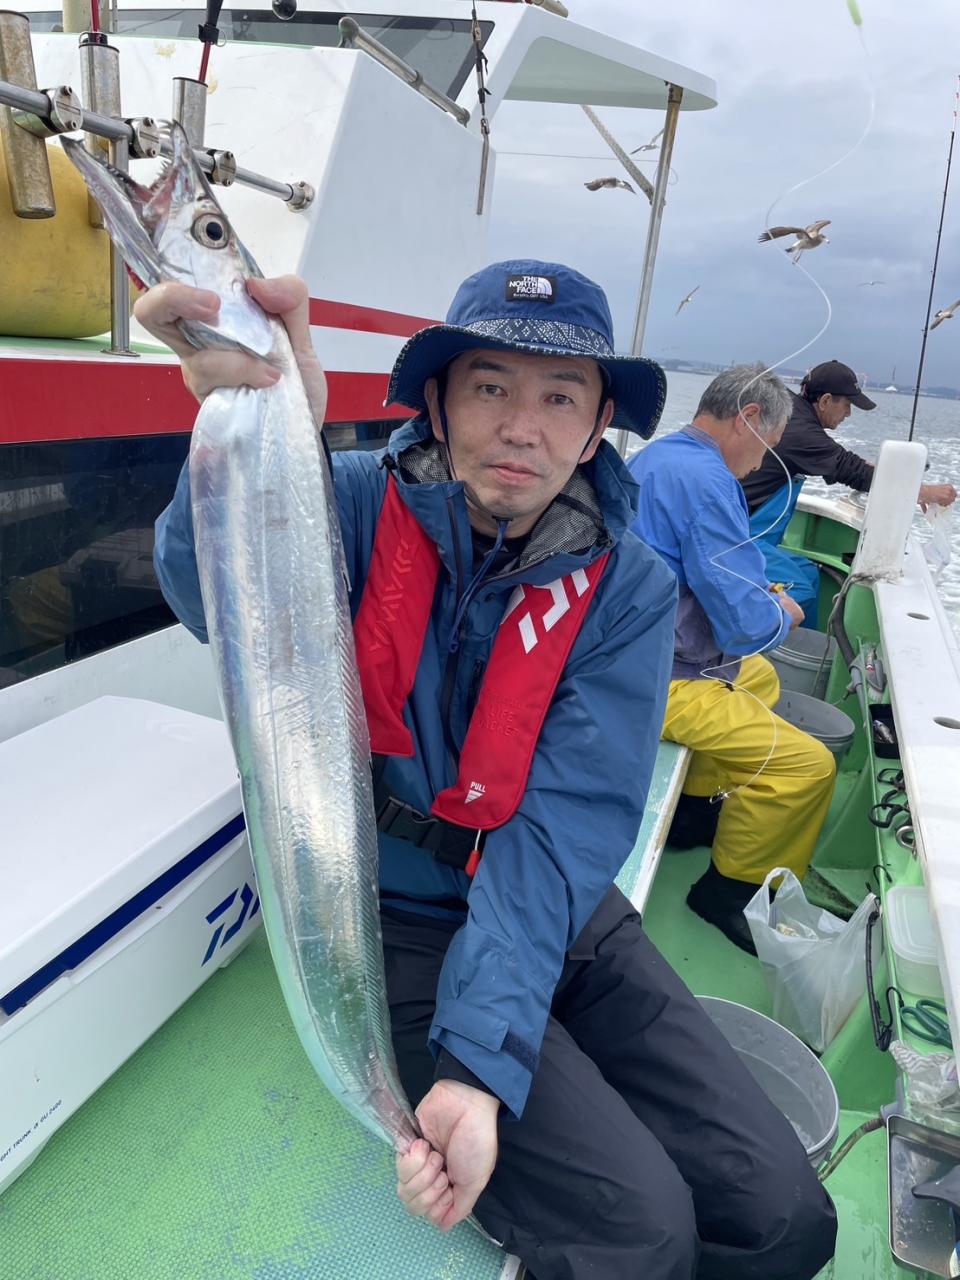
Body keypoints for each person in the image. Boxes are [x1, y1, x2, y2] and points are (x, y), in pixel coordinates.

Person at [142, 263, 837, 1280]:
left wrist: (480, 1054)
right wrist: (241, 423)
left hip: (561, 911)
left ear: (597, 428)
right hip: (395, 924)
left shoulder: (629, 584)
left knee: (787, 1218)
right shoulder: (343, 500)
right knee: (641, 1236)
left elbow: (564, 825)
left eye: (559, 397)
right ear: (436, 404)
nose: (522, 427)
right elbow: (214, 596)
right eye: (491, 387)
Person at [629, 365, 837, 955]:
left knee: (761, 677)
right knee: (809, 767)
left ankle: (693, 812)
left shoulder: (662, 456)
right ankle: (728, 891)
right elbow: (746, 627)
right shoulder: (709, 482)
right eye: (769, 445)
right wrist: (783, 612)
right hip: (656, 678)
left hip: (640, 649)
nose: (765, 461)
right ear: (747, 418)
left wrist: (754, 598)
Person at [741, 360, 957, 622]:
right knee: (801, 589)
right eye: (847, 404)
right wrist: (927, 492)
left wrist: (912, 486)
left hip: (753, 531)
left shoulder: (794, 417)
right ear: (825, 401)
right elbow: (852, 470)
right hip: (740, 536)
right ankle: (753, 642)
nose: (849, 413)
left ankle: (804, 641)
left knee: (808, 573)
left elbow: (850, 463)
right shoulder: (802, 431)